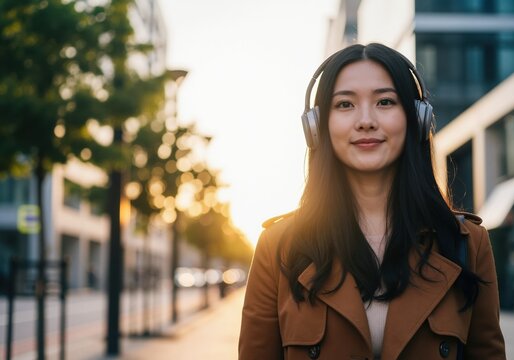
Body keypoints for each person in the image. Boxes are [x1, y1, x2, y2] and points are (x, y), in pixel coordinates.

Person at [238, 43, 506, 360]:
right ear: (317, 127)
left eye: (385, 101)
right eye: (345, 105)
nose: (365, 120)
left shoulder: (468, 243)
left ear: (417, 120)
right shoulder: (277, 247)